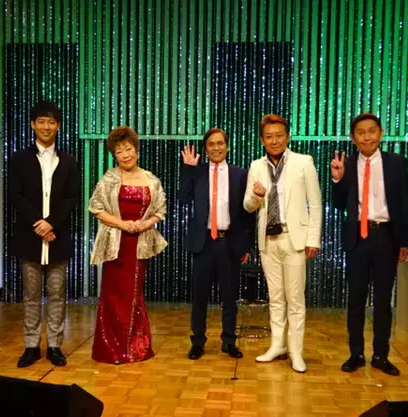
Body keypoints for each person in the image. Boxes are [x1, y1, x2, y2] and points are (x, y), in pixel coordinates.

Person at [330, 113, 408, 376]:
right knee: (355, 300)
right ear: (353, 138)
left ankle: (380, 355)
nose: (367, 137)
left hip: (386, 236)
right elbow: (339, 204)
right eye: (361, 132)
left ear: (381, 133)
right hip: (358, 237)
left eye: (372, 131)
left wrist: (404, 239)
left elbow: (405, 202)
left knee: (383, 300)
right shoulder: (347, 163)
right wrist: (337, 179)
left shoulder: (396, 162)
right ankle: (356, 354)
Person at [243, 114, 322, 373]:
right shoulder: (256, 166)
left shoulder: (303, 162)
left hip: (294, 238)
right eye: (269, 136)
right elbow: (247, 206)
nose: (274, 140)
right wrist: (256, 197)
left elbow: (315, 203)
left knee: (295, 299)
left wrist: (313, 239)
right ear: (262, 140)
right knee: (275, 297)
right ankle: (277, 345)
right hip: (268, 239)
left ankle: (296, 352)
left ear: (287, 137)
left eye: (279, 135)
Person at [9, 101, 80, 368]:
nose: (46, 127)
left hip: (57, 237)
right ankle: (31, 346)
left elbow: (72, 198)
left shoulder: (69, 161)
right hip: (30, 237)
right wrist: (38, 224)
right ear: (32, 124)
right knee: (31, 295)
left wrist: (51, 224)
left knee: (57, 294)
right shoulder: (19, 159)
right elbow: (16, 195)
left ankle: (54, 346)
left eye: (51, 122)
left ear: (58, 126)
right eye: (41, 121)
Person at [88, 126, 167, 364]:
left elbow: (160, 210)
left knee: (134, 293)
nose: (125, 155)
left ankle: (135, 347)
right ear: (114, 155)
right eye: (119, 151)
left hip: (139, 243)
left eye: (128, 149)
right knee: (113, 294)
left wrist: (144, 224)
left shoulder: (151, 179)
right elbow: (96, 208)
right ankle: (110, 348)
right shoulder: (109, 178)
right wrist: (123, 224)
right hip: (116, 244)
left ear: (136, 150)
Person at [179, 128, 255, 360]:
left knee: (230, 297)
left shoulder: (240, 174)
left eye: (220, 143)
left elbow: (248, 213)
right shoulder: (197, 172)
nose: (216, 148)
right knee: (200, 296)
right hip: (203, 243)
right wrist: (187, 170)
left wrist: (246, 246)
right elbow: (183, 198)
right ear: (206, 149)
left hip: (229, 242)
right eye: (211, 144)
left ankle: (229, 341)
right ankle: (197, 342)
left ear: (227, 146)